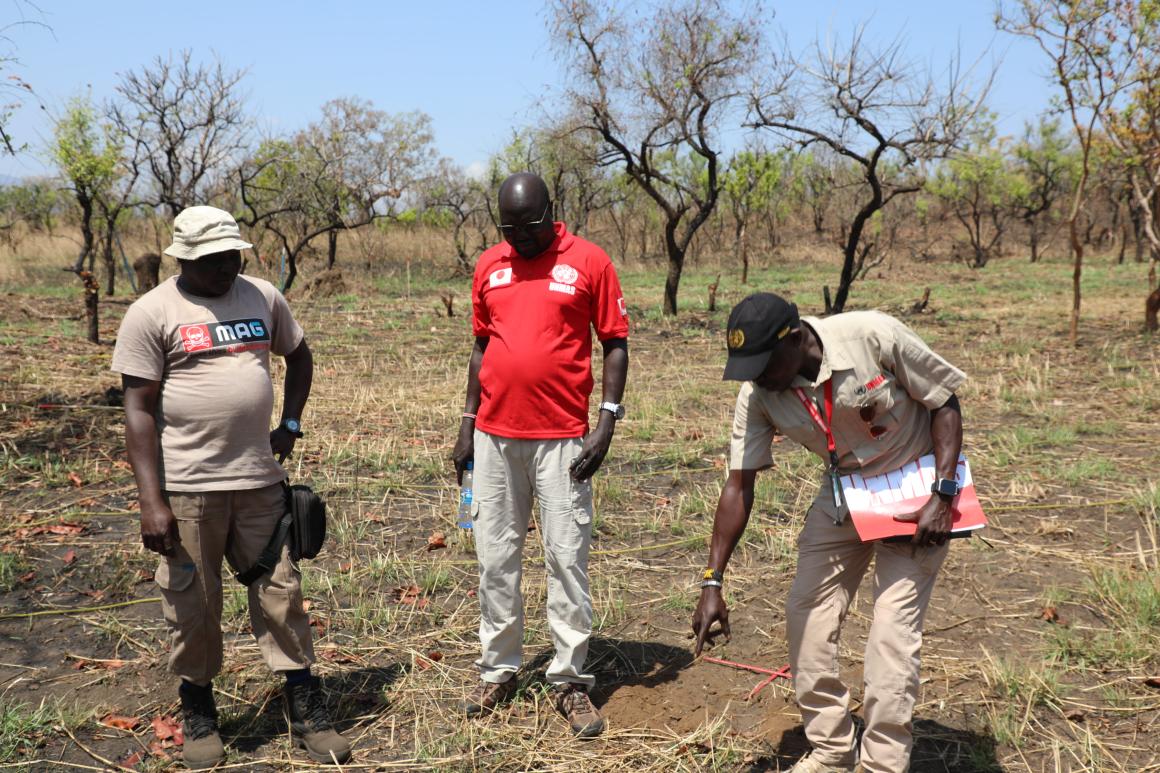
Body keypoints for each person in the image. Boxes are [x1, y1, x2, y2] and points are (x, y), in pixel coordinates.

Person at [112, 206, 350, 768]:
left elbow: (299, 355)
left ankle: (305, 708)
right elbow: (138, 410)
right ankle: (199, 712)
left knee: (282, 593)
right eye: (213, 259)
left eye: (233, 256)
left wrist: (290, 423)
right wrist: (152, 501)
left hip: (260, 483)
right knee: (193, 603)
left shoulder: (262, 296)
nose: (226, 267)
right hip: (189, 489)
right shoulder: (152, 313)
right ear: (184, 259)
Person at [691, 292, 966, 773]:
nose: (757, 377)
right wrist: (712, 580)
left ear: (795, 339)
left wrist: (942, 496)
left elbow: (944, 401)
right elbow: (738, 486)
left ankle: (882, 761)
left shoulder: (871, 335)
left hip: (916, 493)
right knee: (807, 617)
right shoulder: (758, 394)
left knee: (891, 635)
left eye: (764, 364)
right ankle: (832, 747)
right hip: (845, 494)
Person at [451, 172, 629, 738]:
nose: (521, 236)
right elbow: (482, 347)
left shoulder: (589, 261)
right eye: (510, 227)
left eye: (531, 225)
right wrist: (466, 424)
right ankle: (498, 669)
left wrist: (606, 424)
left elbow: (615, 342)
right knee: (494, 554)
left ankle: (570, 680)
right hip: (495, 439)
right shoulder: (489, 265)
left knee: (565, 556)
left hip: (563, 440)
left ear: (551, 212)